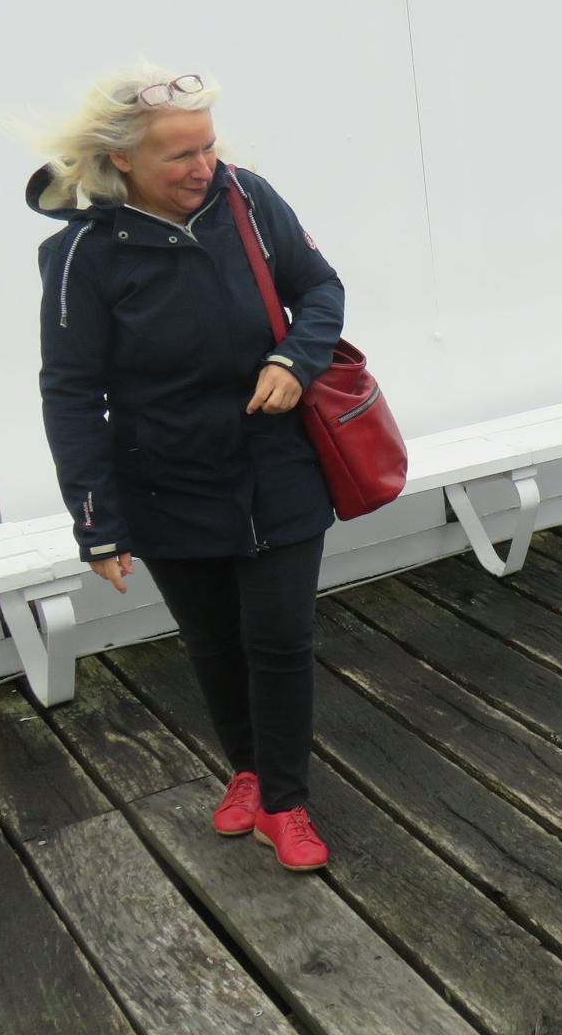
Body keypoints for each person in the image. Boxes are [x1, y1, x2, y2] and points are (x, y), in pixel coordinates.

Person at [32, 65, 343, 872]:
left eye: (207, 147)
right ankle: (247, 770)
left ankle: (284, 802)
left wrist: (295, 360)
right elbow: (71, 392)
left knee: (279, 639)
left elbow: (319, 289)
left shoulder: (249, 200)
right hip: (164, 479)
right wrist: (96, 523)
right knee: (212, 642)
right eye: (179, 156)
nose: (204, 168)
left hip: (277, 464)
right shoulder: (83, 254)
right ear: (122, 160)